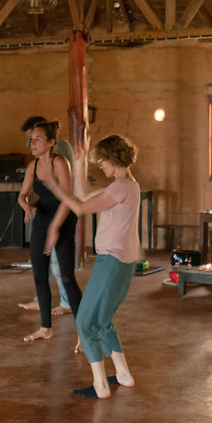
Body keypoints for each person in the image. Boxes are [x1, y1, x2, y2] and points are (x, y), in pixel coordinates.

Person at [41, 134, 140, 399]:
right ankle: (123, 375)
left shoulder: (120, 188)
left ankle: (100, 386)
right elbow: (83, 194)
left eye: (103, 162)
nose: (102, 167)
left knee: (85, 322)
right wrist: (80, 161)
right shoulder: (127, 186)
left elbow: (80, 207)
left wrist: (53, 185)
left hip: (111, 262)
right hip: (120, 262)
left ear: (114, 159)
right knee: (104, 321)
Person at [17, 119, 82, 342]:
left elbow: (67, 199)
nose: (32, 144)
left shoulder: (60, 163)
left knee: (66, 277)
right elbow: (22, 194)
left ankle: (85, 331)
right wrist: (25, 205)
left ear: (51, 142)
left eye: (38, 139)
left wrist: (55, 228)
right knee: (39, 276)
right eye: (31, 140)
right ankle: (45, 327)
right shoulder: (33, 166)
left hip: (63, 219)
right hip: (43, 220)